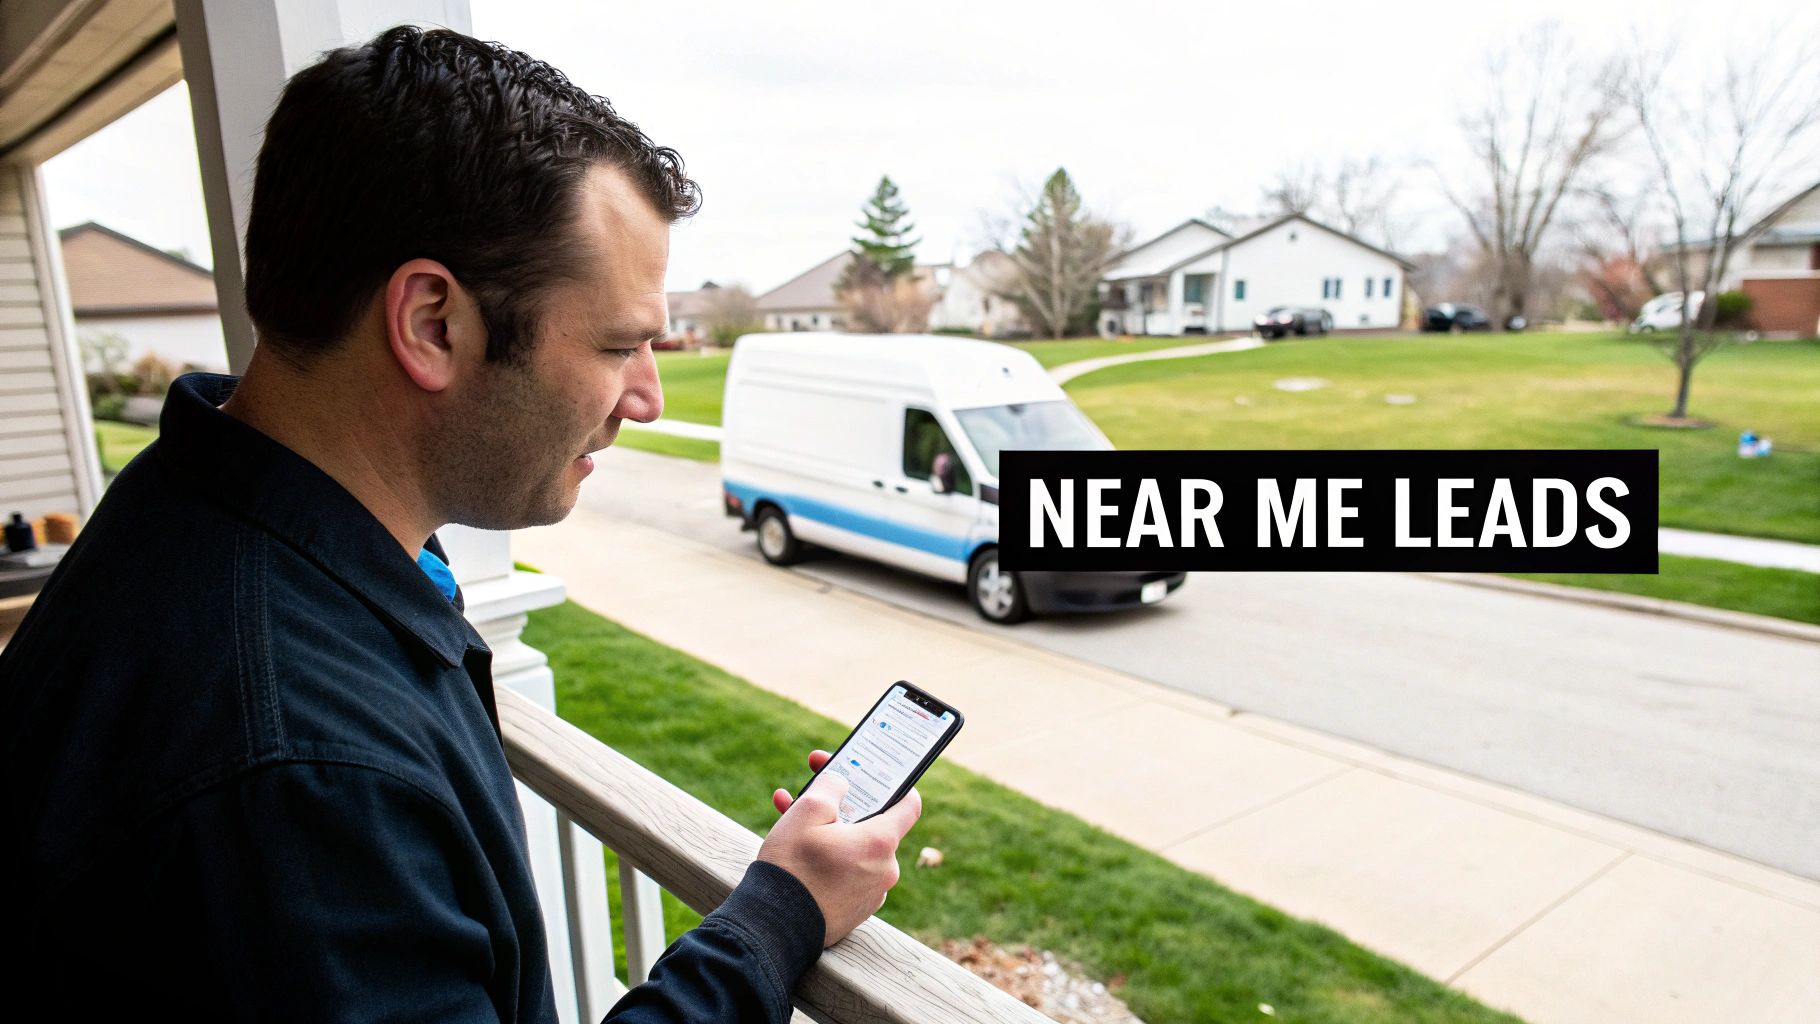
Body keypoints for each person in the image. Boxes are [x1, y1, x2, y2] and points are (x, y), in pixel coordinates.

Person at [0, 25, 920, 1023]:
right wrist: (778, 916)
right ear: (433, 323)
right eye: (619, 344)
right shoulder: (298, 781)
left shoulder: (201, 507)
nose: (647, 397)